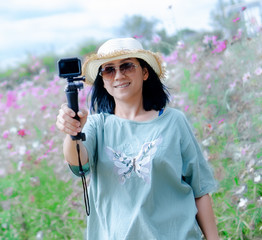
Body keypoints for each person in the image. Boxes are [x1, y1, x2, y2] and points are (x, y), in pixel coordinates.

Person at [56, 38, 219, 239]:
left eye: (127, 66)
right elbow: (78, 161)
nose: (118, 75)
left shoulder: (174, 121)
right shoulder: (97, 125)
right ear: (103, 80)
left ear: (144, 72)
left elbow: (200, 190)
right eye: (109, 70)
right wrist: (72, 133)